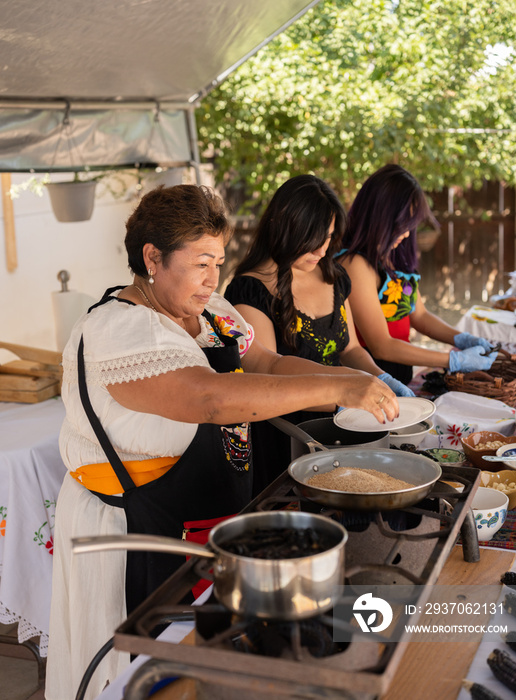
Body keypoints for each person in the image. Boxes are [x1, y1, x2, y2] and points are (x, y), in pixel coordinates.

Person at [45, 184, 398, 700]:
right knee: (141, 672)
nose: (214, 279)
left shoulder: (211, 313)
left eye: (219, 262)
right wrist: (339, 385)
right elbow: (207, 398)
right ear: (152, 258)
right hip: (134, 528)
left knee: (203, 670)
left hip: (204, 520)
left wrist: (343, 385)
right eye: (202, 263)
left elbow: (267, 366)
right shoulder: (118, 332)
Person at [224, 174, 413, 492]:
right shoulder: (249, 291)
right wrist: (341, 391)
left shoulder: (333, 276)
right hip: (288, 441)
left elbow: (350, 349)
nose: (323, 250)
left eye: (328, 238)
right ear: (285, 228)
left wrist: (381, 378)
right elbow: (267, 370)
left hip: (344, 429)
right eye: (314, 239)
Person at [336, 164, 497, 385]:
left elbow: (419, 316)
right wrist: (453, 360)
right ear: (377, 216)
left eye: (410, 225)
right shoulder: (355, 264)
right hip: (372, 379)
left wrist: (461, 338)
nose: (405, 233)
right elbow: (381, 345)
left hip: (400, 374)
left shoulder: (391, 256)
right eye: (400, 224)